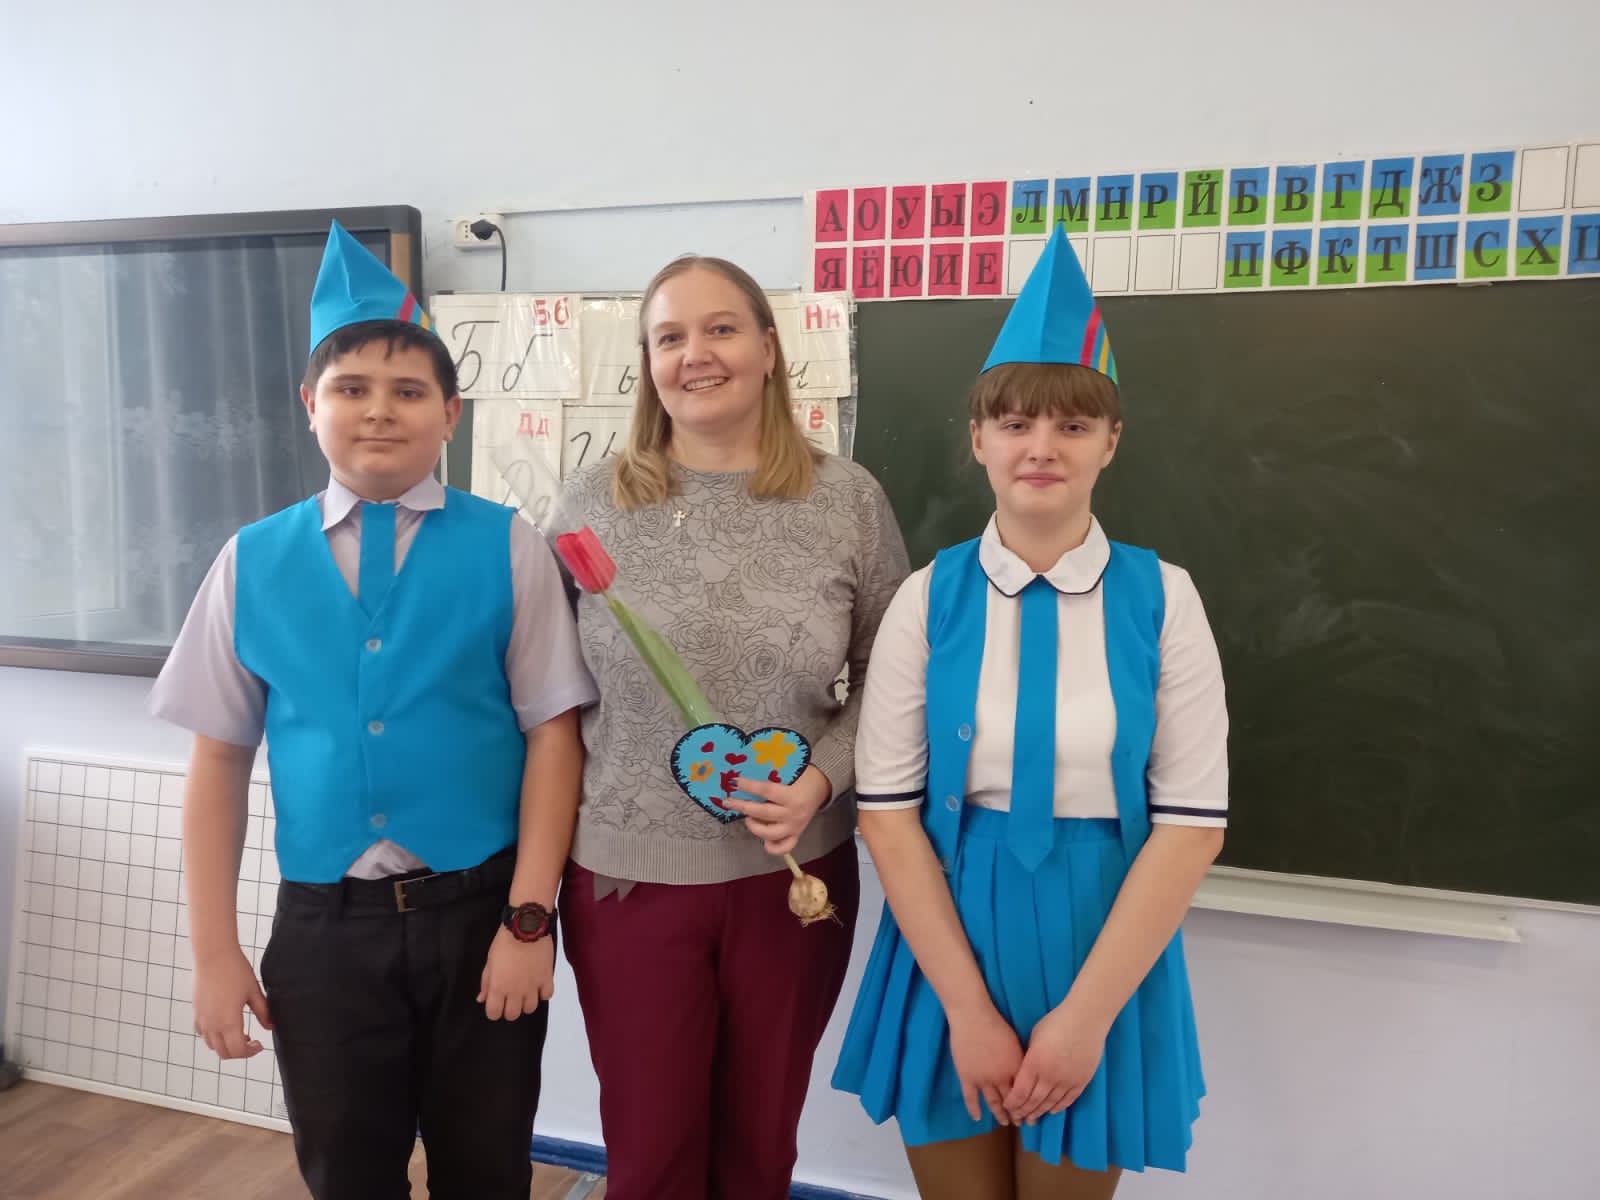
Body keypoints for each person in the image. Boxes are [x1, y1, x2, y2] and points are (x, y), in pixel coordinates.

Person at [149, 222, 596, 1200]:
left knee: (487, 1168)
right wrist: (216, 954)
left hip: (480, 912)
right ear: (310, 405)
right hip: (324, 929)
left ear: (451, 413)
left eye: (408, 390)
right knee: (346, 1171)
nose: (380, 410)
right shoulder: (250, 560)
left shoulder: (508, 546)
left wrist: (530, 919)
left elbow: (553, 736)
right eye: (351, 388)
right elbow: (218, 760)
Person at [833, 224, 1229, 1200]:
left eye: (1072, 425)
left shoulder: (1164, 599)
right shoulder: (928, 599)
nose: (1041, 448)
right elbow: (886, 814)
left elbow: (1190, 825)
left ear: (1110, 441)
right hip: (948, 934)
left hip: (1104, 941)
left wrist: (1084, 1020)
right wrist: (967, 1011)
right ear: (979, 440)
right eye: (1014, 423)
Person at [548, 254, 910, 1200]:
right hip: (628, 882)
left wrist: (821, 780)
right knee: (650, 1159)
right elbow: (545, 695)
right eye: (669, 337)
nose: (695, 354)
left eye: (720, 329)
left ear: (769, 348)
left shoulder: (848, 500)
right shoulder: (588, 505)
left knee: (758, 1152)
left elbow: (897, 675)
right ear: (647, 363)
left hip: (792, 884)